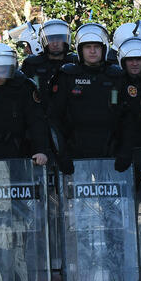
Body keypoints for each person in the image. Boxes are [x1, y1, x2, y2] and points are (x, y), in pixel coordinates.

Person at [47, 22, 133, 174]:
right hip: (75, 150)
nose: (92, 51)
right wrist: (62, 154)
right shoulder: (67, 76)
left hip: (110, 150)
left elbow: (129, 119)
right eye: (87, 47)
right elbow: (54, 118)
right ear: (80, 49)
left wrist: (125, 151)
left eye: (96, 47)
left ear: (104, 48)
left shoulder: (117, 76)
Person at [20, 19, 78, 100]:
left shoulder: (76, 62)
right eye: (50, 39)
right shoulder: (31, 64)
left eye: (59, 39)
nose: (55, 43)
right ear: (43, 40)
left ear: (66, 39)